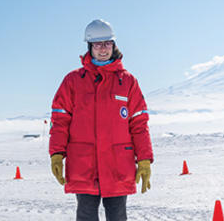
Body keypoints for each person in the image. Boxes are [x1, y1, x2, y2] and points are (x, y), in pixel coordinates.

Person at [49, 19, 153, 221]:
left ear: (114, 45)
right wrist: (57, 153)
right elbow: (60, 120)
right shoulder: (73, 81)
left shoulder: (128, 81)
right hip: (84, 163)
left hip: (117, 164)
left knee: (117, 216)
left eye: (107, 43)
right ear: (89, 47)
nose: (103, 49)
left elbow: (139, 124)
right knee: (86, 215)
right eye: (97, 44)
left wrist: (144, 159)